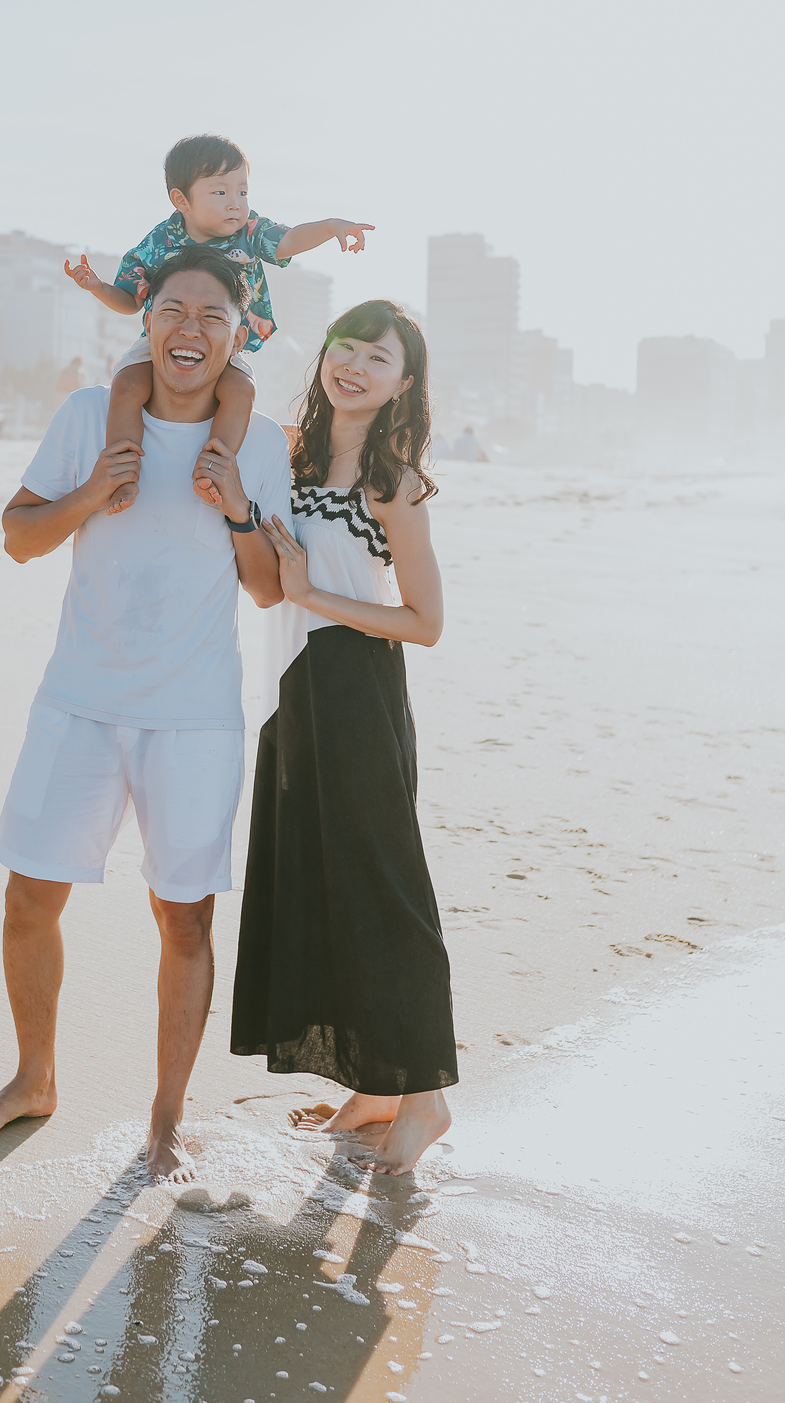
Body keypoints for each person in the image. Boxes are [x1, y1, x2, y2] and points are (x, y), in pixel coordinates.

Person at [0, 246, 292, 1182]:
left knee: (183, 922)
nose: (190, 328)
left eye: (211, 315)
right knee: (30, 896)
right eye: (173, 309)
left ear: (238, 333)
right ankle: (34, 1076)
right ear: (146, 320)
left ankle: (166, 1120)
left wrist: (236, 509)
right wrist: (94, 488)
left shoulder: (260, 443)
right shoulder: (85, 418)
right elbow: (20, 539)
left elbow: (266, 591)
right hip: (79, 703)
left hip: (194, 718)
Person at [230, 299, 459, 1175]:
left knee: (384, 896)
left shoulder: (390, 483)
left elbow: (426, 622)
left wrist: (312, 596)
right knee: (321, 889)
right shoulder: (290, 455)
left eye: (379, 357)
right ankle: (374, 1085)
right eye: (345, 346)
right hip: (292, 696)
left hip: (357, 692)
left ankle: (427, 1095)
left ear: (404, 384)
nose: (354, 364)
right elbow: (228, 390)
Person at [63, 133, 374, 513]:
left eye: (242, 192)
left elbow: (288, 240)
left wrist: (329, 227)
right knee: (127, 383)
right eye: (220, 193)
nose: (236, 205)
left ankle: (213, 467)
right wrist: (97, 287)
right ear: (182, 200)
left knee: (241, 390)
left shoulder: (251, 231)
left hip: (225, 344)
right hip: (166, 341)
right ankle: (122, 476)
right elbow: (130, 300)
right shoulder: (159, 242)